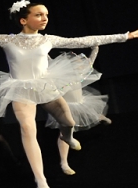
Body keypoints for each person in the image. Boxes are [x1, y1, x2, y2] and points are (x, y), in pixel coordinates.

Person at [0, 0, 138, 188]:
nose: (45, 18)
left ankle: (68, 136)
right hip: (21, 90)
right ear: (23, 20)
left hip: (46, 86)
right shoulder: (7, 40)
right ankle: (41, 181)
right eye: (39, 15)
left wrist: (126, 36)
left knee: (69, 122)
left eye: (46, 15)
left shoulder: (48, 40)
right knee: (28, 129)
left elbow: (86, 40)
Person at [45, 47, 111, 175]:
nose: (82, 64)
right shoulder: (59, 74)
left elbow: (91, 61)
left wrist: (95, 47)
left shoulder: (81, 73)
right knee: (64, 132)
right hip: (66, 106)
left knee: (89, 112)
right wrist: (42, 51)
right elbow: (49, 60)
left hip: (80, 102)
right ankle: (64, 162)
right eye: (79, 62)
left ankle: (100, 117)